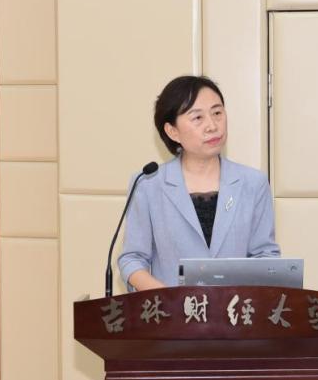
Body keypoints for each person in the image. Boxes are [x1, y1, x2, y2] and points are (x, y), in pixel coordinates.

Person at [118, 75, 280, 291]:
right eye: (197, 118)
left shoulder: (253, 183)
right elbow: (132, 259)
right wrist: (168, 299)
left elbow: (265, 256)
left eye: (217, 113)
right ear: (172, 131)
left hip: (235, 309)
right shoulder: (148, 184)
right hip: (171, 310)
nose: (212, 126)